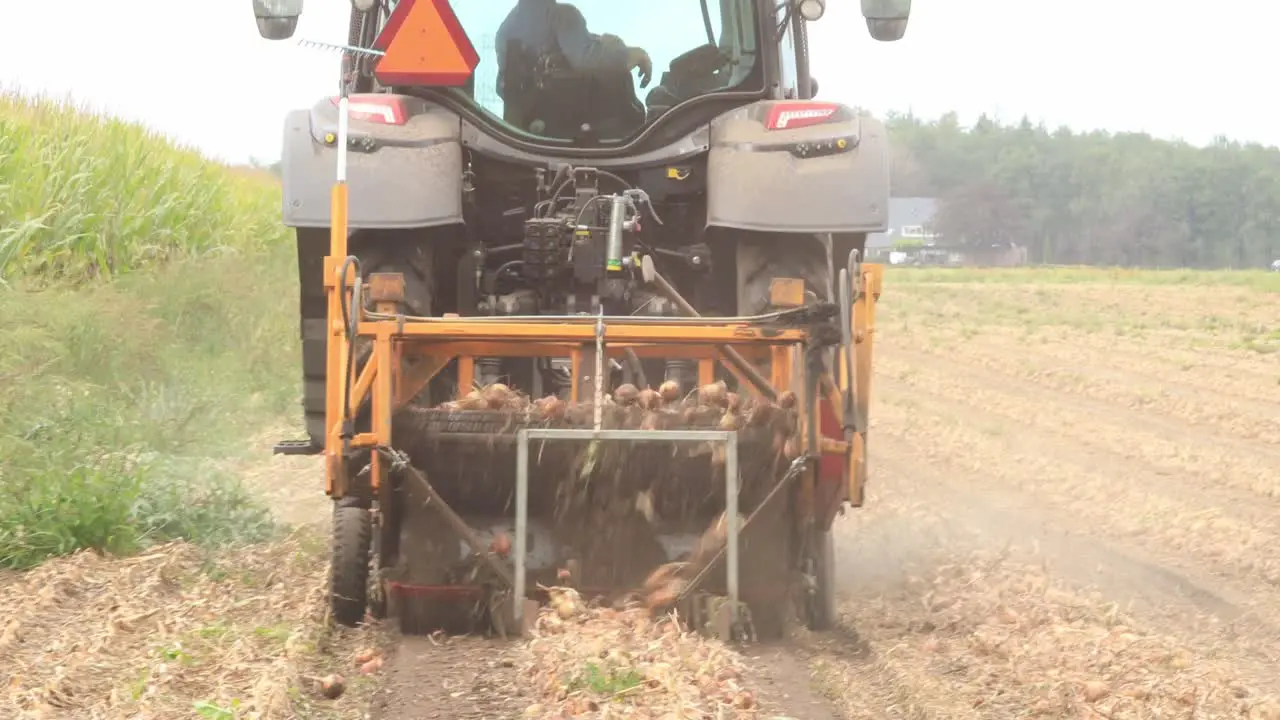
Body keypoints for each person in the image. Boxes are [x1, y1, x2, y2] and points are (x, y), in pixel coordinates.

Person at [495, 0, 652, 136]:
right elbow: (586, 60)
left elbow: (505, 89)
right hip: (570, 133)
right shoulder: (562, 16)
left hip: (527, 135)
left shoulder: (506, 29)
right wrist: (633, 54)